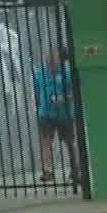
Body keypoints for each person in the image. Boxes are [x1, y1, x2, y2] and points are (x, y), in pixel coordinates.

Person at [34, 47, 79, 183]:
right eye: (47, 58)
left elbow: (75, 92)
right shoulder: (40, 74)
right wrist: (38, 106)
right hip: (45, 112)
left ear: (59, 59)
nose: (50, 61)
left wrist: (65, 98)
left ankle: (75, 169)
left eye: (52, 58)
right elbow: (36, 93)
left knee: (70, 142)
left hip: (64, 113)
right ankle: (48, 171)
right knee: (46, 141)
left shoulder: (67, 73)